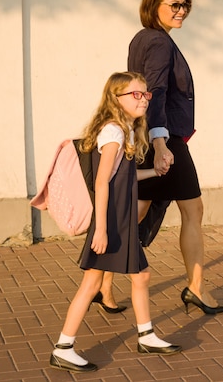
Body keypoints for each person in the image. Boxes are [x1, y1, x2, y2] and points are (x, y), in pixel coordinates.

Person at [98, 0, 223, 316]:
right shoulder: (158, 42)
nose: (182, 10)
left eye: (185, 4)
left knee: (135, 213)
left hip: (150, 136)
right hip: (163, 137)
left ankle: (102, 284)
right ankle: (196, 288)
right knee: (192, 209)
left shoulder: (143, 39)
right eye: (174, 4)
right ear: (153, 4)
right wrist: (160, 143)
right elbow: (152, 91)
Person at [49, 72, 181, 374]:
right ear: (116, 98)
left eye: (145, 94)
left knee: (141, 276)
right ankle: (63, 347)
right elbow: (102, 182)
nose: (144, 100)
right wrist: (102, 230)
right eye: (135, 94)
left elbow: (122, 179)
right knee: (92, 284)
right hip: (111, 221)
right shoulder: (114, 132)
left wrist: (154, 174)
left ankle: (146, 335)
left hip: (119, 219)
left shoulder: (125, 131)